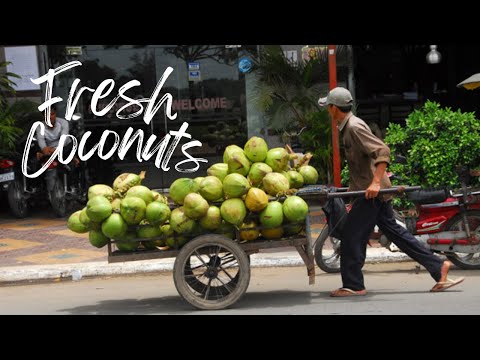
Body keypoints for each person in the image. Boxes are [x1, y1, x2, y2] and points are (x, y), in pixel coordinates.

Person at [318, 87, 465, 297]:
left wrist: (376, 183)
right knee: (398, 234)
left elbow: (382, 151)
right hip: (369, 193)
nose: (327, 111)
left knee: (351, 237)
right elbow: (363, 166)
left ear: (334, 108)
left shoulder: (354, 127)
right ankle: (438, 267)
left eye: (328, 107)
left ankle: (353, 285)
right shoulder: (349, 126)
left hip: (372, 195)